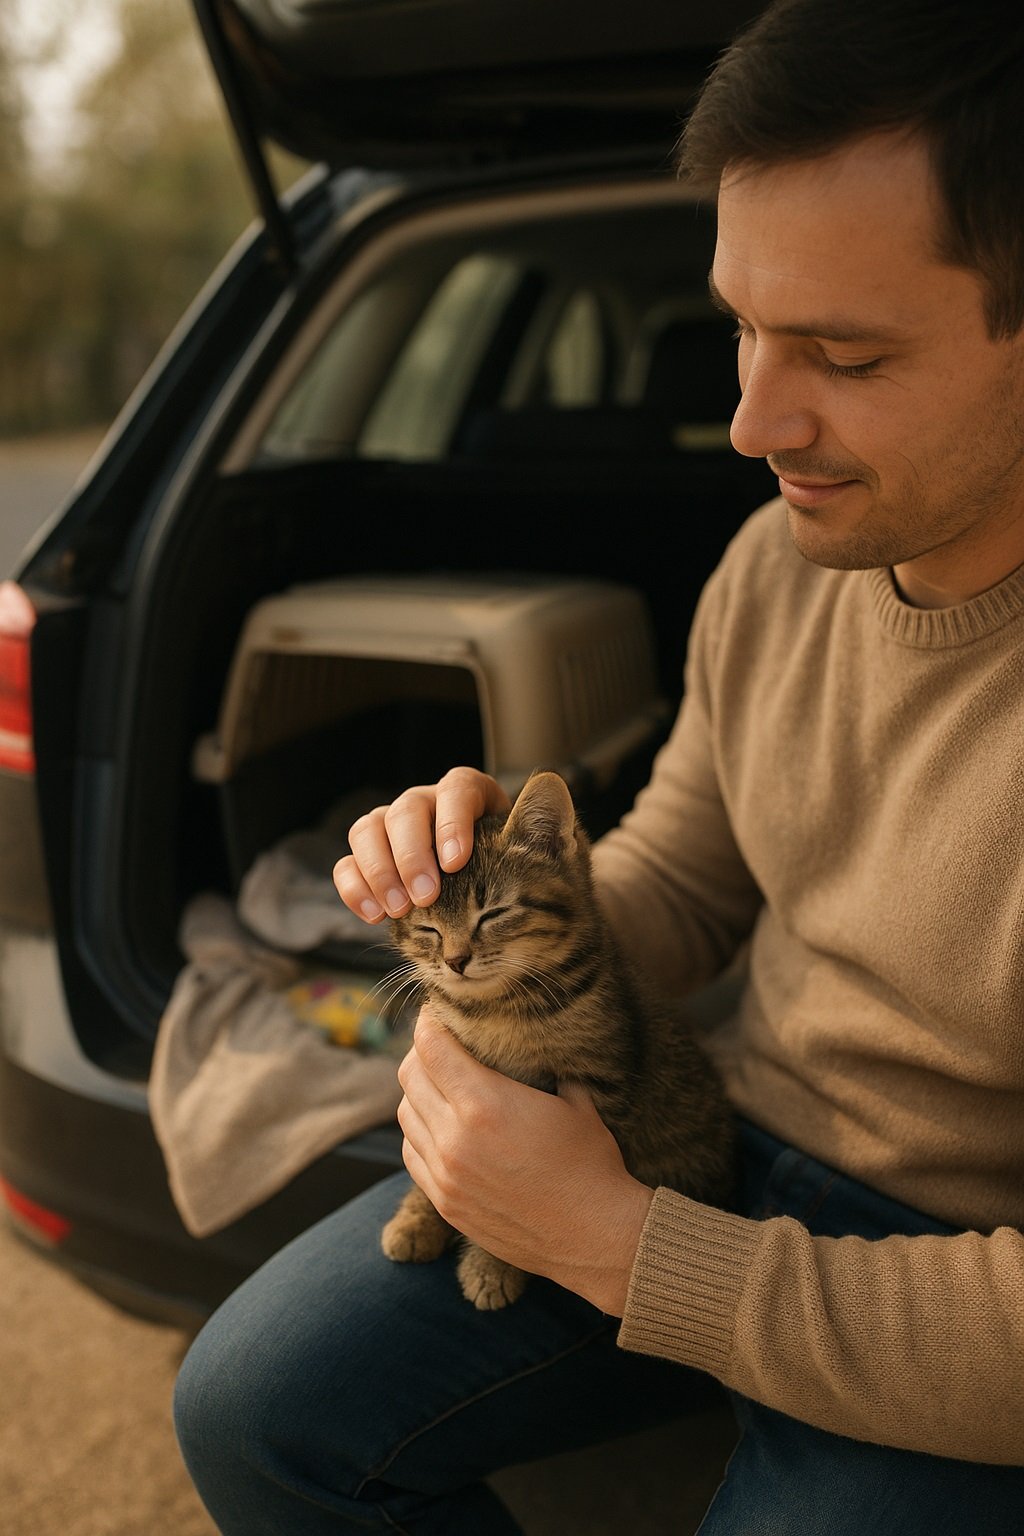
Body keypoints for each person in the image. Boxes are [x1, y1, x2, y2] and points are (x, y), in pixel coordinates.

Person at [172, 1, 1024, 1529]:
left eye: (843, 352)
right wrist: (519, 899)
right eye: (741, 327)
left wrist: (633, 1254)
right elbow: (689, 875)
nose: (754, 421)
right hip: (715, 1134)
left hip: (957, 1289)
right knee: (248, 1408)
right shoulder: (775, 567)